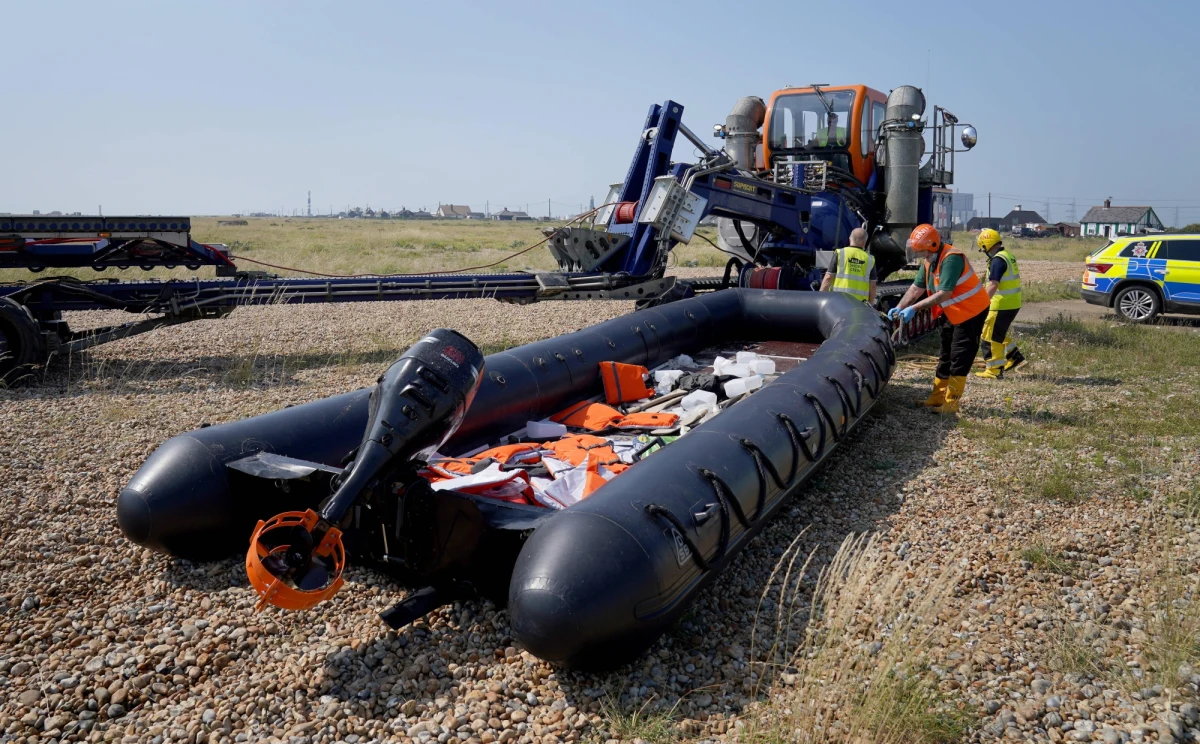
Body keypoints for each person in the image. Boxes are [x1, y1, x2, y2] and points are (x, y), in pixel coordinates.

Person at [887, 224, 990, 414]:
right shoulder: (929, 260)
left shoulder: (951, 259)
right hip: (952, 312)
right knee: (945, 354)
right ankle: (936, 397)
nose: (920, 255)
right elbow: (916, 288)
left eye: (921, 251)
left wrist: (914, 308)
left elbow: (944, 293)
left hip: (971, 312)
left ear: (932, 245)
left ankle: (951, 403)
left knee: (959, 356)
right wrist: (900, 306)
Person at [973, 228, 1026, 379]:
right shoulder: (1007, 255)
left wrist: (981, 303)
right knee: (998, 333)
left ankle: (994, 370)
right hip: (1012, 303)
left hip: (1001, 304)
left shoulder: (997, 260)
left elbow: (993, 285)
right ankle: (1014, 357)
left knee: (988, 336)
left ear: (985, 245)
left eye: (982, 248)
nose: (983, 251)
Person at [819, 227, 877, 304]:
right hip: (860, 304)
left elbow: (828, 278)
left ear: (850, 239)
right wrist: (870, 304)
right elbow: (872, 286)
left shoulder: (840, 253)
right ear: (864, 243)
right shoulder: (870, 259)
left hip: (838, 302)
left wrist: (820, 299)